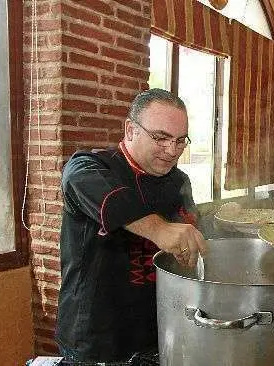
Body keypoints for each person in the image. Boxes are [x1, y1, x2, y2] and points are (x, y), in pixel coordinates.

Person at [55, 88, 206, 362]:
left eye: (180, 140)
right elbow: (85, 186)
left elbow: (190, 228)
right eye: (160, 138)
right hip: (98, 339)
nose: (172, 151)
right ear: (130, 130)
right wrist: (159, 230)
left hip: (157, 331)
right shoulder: (90, 167)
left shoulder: (178, 180)